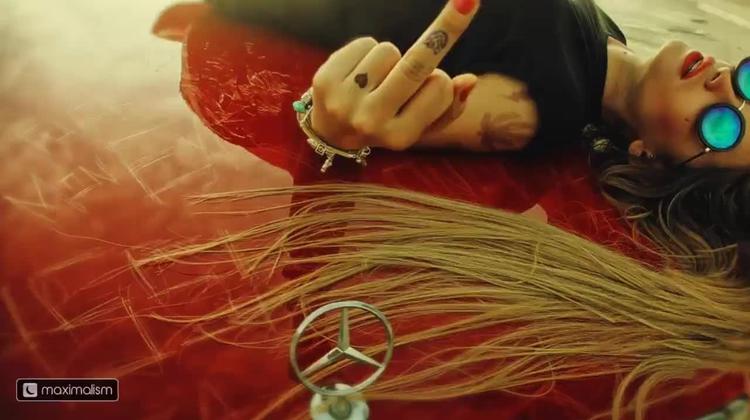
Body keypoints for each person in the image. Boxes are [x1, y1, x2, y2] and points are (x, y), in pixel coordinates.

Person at [207, 0, 748, 276]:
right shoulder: (610, 39)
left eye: (721, 125)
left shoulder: (539, 107)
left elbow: (369, 115)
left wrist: (332, 129)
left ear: (648, 156)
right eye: (748, 82)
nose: (725, 84)